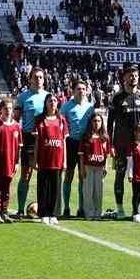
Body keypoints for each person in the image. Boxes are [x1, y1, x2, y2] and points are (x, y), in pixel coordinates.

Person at [108, 65, 140, 216]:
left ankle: (139, 210)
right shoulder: (117, 98)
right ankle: (120, 208)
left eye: (135, 75)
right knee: (120, 175)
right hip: (121, 145)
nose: (133, 77)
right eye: (130, 75)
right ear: (124, 77)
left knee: (139, 177)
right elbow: (110, 123)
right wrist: (110, 145)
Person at [14, 67, 51, 217]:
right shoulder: (23, 97)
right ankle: (21, 209)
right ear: (30, 79)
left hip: (46, 139)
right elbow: (16, 120)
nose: (38, 80)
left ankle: (46, 209)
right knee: (26, 174)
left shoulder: (49, 96)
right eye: (35, 77)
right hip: (29, 138)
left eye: (41, 77)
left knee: (45, 175)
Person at [58, 80, 94, 218]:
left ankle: (81, 207)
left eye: (83, 88)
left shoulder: (90, 108)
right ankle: (66, 207)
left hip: (84, 145)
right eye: (78, 88)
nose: (81, 91)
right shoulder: (66, 106)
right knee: (68, 175)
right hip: (70, 144)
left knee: (82, 177)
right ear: (73, 91)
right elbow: (61, 125)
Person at [0, 97, 22, 223]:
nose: (8, 110)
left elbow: (18, 147)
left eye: (10, 108)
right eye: (5, 108)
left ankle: (4, 211)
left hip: (10, 162)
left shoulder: (16, 127)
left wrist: (17, 162)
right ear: (0, 110)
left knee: (6, 188)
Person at [34, 94, 66, 226]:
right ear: (45, 103)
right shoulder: (39, 119)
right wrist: (35, 159)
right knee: (43, 187)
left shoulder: (62, 120)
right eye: (50, 100)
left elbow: (64, 141)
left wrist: (65, 161)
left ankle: (53, 213)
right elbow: (37, 142)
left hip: (57, 159)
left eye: (54, 101)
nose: (52, 103)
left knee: (55, 188)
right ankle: (43, 213)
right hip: (43, 159)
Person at [78, 121, 110, 220]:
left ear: (102, 123)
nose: (96, 123)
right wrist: (82, 168)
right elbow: (81, 154)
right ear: (91, 123)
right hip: (88, 166)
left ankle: (97, 213)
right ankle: (89, 213)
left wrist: (106, 166)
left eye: (99, 121)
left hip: (100, 167)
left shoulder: (105, 137)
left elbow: (107, 154)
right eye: (95, 121)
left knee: (98, 191)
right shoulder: (86, 136)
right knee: (88, 191)